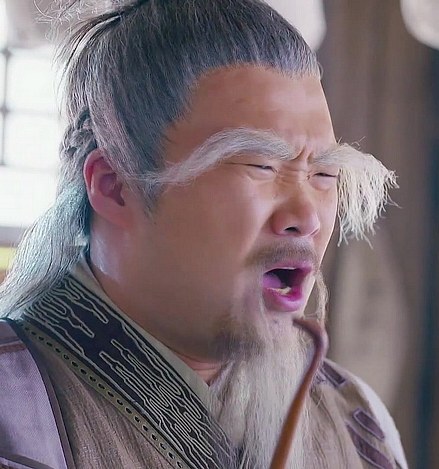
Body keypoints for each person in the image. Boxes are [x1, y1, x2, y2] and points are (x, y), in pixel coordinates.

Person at [0, 1, 406, 468]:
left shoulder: (355, 423)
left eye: (324, 175)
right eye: (261, 165)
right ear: (114, 187)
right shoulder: (14, 407)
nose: (307, 217)